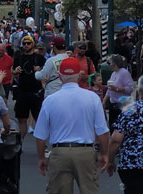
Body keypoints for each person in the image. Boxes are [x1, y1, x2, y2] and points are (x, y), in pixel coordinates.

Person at [34, 57, 109, 194]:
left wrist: (41, 157)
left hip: (59, 152)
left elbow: (40, 135)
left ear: (59, 75)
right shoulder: (92, 98)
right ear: (79, 75)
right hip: (85, 152)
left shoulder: (50, 100)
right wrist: (104, 153)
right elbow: (102, 131)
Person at [12, 35, 45, 140]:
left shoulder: (39, 58)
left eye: (28, 43)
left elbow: (46, 73)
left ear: (32, 44)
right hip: (22, 91)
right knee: (21, 119)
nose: (26, 45)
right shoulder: (19, 57)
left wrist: (39, 70)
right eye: (24, 43)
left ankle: (43, 147)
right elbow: (12, 71)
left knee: (39, 119)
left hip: (36, 92)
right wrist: (15, 71)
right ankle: (19, 144)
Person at [104, 54, 135, 132]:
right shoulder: (113, 73)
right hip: (113, 103)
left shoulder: (124, 73)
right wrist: (104, 101)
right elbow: (109, 89)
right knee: (112, 126)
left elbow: (130, 88)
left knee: (120, 128)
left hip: (121, 104)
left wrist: (117, 89)